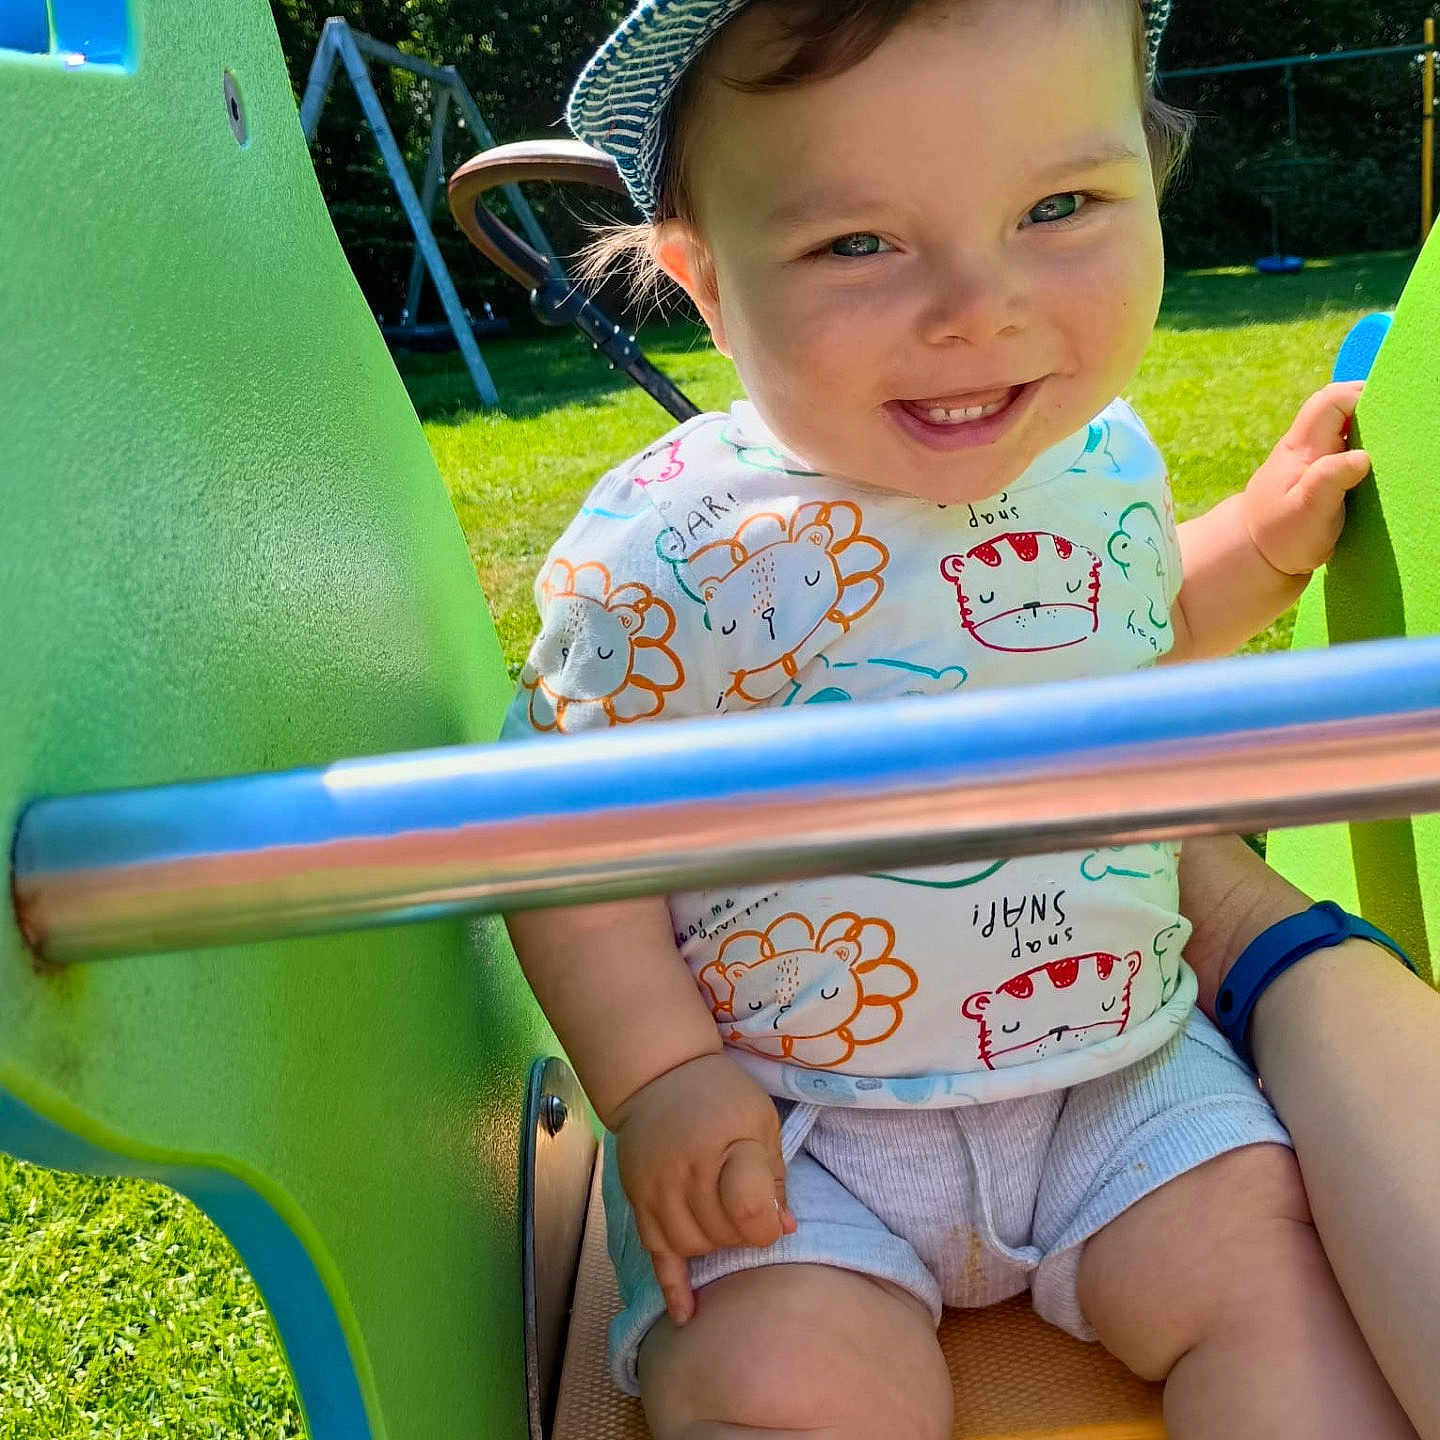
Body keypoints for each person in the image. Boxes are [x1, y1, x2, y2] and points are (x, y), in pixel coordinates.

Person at [502, 2, 1413, 1436]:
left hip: (1120, 1066)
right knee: (776, 1381)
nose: (977, 306)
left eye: (1058, 207)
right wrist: (662, 1075)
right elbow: (557, 828)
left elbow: (1127, 625)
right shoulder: (673, 551)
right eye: (858, 242)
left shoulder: (1100, 455)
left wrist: (1255, 543)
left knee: (1278, 1276)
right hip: (792, 1121)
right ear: (705, 281)